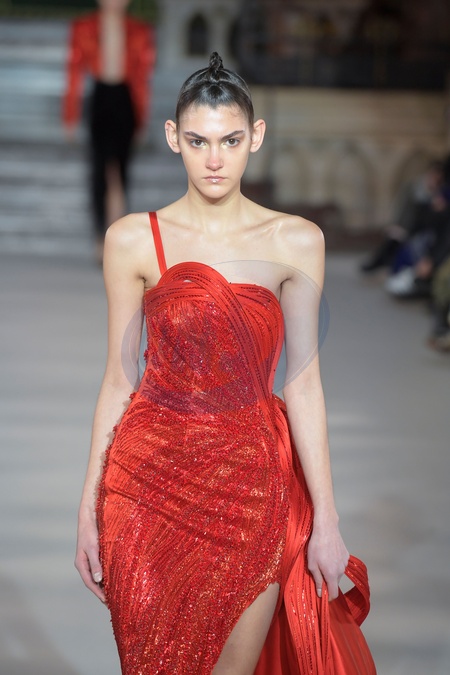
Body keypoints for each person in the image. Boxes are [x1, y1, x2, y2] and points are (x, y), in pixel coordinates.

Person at [75, 52, 352, 674]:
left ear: (257, 135)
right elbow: (119, 379)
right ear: (174, 137)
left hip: (250, 489)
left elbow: (304, 384)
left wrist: (327, 520)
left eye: (230, 140)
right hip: (144, 485)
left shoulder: (296, 240)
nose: (215, 159)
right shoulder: (132, 238)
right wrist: (88, 509)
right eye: (198, 141)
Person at [62, 0, 156, 263]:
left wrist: (142, 117)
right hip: (100, 99)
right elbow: (73, 73)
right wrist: (70, 115)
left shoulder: (139, 30)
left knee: (120, 171)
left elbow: (142, 78)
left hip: (125, 100)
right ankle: (99, 237)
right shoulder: (84, 27)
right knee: (99, 170)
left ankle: (117, 240)